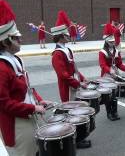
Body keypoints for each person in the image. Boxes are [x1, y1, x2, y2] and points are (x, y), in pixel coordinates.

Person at [0, 0, 47, 156]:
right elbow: (4, 103)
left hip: (28, 115)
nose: (21, 40)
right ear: (6, 42)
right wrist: (33, 108)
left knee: (36, 151)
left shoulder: (15, 60)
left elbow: (26, 88)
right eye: (16, 38)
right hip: (16, 124)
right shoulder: (2, 68)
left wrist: (38, 100)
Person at [51, 10, 90, 148]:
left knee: (75, 112)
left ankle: (78, 138)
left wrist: (82, 78)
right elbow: (63, 75)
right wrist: (79, 84)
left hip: (74, 85)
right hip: (67, 88)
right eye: (66, 33)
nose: (69, 35)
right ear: (61, 36)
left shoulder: (67, 50)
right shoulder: (57, 54)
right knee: (70, 114)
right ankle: (73, 141)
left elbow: (74, 68)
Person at [99, 23, 125, 120]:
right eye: (111, 42)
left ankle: (115, 112)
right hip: (106, 75)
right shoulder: (102, 52)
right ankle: (109, 113)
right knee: (108, 95)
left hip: (115, 73)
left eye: (113, 41)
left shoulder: (116, 51)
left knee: (115, 94)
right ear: (106, 41)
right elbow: (102, 65)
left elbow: (119, 63)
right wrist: (109, 70)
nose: (113, 43)